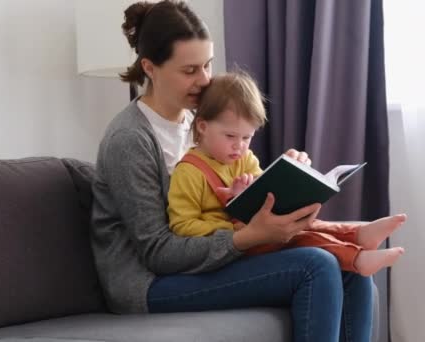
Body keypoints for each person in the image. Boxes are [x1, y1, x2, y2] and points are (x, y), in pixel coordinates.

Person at [90, 1, 375, 341]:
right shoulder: (130, 140)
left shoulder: (201, 121)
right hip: (149, 284)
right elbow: (158, 253)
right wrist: (249, 237)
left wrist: (284, 177)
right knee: (316, 265)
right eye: (189, 70)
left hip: (205, 258)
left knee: (352, 266)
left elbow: (234, 190)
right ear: (150, 68)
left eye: (207, 65)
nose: (205, 80)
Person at [167, 72, 406, 277]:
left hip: (255, 232)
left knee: (309, 225)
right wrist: (231, 232)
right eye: (230, 136)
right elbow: (181, 226)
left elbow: (265, 192)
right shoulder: (189, 172)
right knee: (300, 239)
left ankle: (358, 234)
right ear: (202, 126)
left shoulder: (244, 159)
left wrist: (283, 182)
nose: (239, 146)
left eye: (247, 137)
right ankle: (357, 259)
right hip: (234, 249)